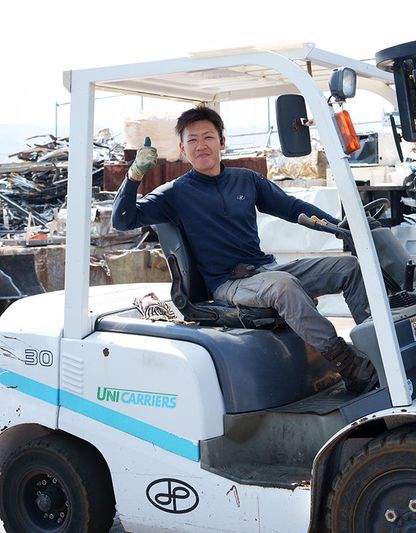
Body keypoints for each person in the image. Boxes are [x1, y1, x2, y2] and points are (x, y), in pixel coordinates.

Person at [112, 106, 377, 393]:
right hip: (229, 283)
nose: (201, 145)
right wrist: (134, 175)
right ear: (182, 149)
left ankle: (377, 346)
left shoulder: (246, 180)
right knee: (283, 286)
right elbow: (122, 220)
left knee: (348, 267)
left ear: (222, 142)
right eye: (192, 140)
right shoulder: (174, 193)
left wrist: (340, 227)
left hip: (265, 270)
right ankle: (347, 363)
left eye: (208, 137)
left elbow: (292, 208)